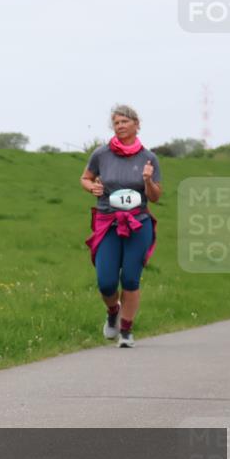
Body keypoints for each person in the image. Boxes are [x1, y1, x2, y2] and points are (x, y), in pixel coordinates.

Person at [80, 105, 162, 348]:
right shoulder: (101, 154)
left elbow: (156, 196)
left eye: (125, 121)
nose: (121, 126)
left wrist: (147, 180)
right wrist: (91, 187)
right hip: (109, 222)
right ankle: (113, 311)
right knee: (105, 282)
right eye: (116, 123)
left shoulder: (149, 158)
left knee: (130, 279)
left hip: (139, 223)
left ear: (137, 124)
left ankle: (126, 331)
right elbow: (85, 178)